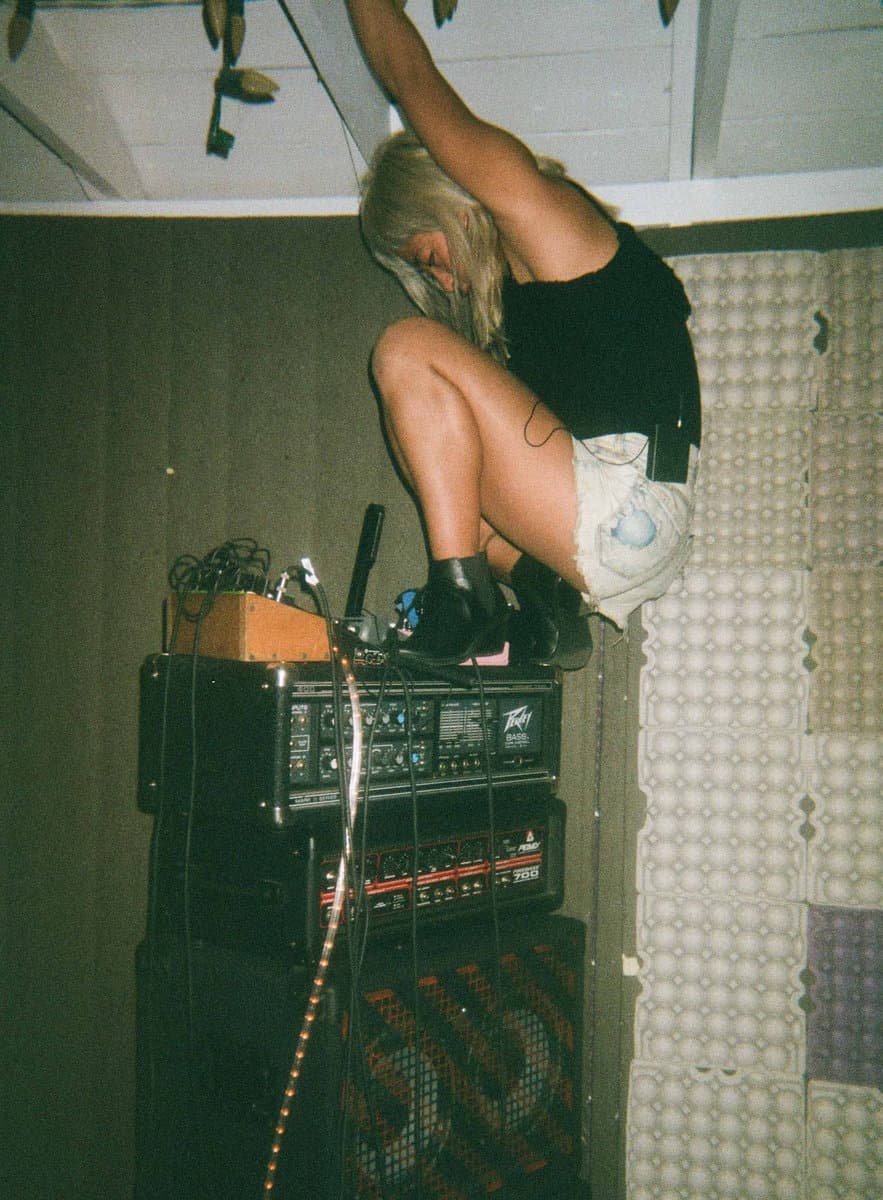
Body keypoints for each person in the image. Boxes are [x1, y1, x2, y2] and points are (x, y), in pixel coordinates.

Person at [346, 0, 701, 669]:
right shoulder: (521, 294)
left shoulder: (541, 216)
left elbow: (410, 78)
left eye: (429, 256)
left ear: (442, 201)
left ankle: (463, 603)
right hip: (628, 526)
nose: (444, 282)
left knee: (405, 348)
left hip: (629, 500)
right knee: (431, 442)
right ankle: (543, 606)